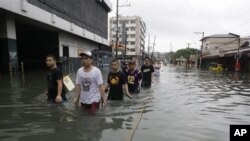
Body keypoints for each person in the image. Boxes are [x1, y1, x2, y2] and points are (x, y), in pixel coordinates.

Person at [75, 51, 107, 115]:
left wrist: (104, 100)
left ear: (91, 60)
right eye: (82, 58)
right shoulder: (79, 71)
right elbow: (78, 86)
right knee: (83, 117)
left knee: (93, 119)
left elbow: (101, 86)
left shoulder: (96, 71)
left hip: (94, 100)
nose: (83, 60)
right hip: (83, 100)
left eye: (86, 58)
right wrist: (77, 98)